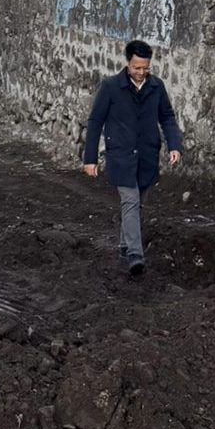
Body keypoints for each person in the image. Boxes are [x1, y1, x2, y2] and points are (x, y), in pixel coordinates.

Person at [81, 39, 184, 276]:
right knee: (130, 201)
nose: (141, 72)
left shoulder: (156, 87)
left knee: (138, 204)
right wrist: (90, 158)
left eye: (145, 68)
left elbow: (167, 117)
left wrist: (173, 145)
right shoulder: (110, 87)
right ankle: (136, 256)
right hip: (120, 156)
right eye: (137, 67)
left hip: (147, 155)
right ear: (128, 63)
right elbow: (95, 121)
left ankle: (124, 246)